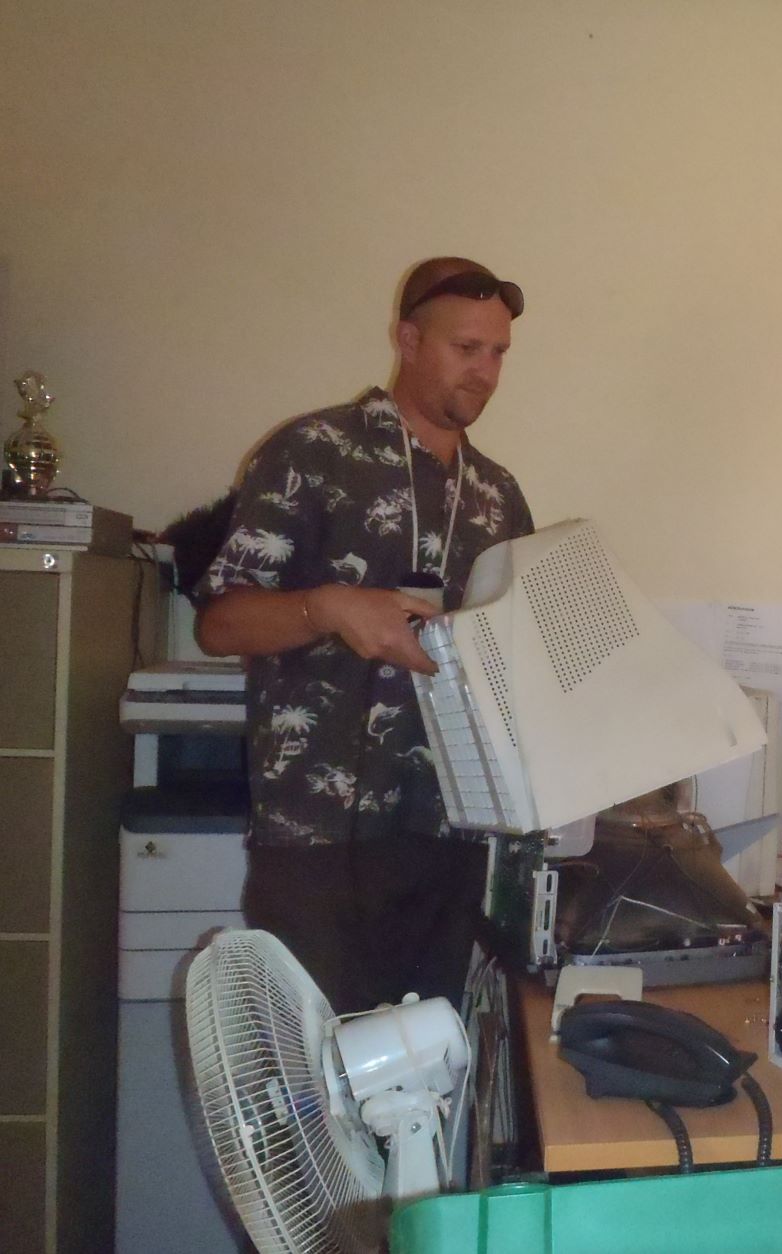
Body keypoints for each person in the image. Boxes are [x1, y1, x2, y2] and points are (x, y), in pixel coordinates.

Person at [195, 257, 534, 1013]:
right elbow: (220, 623)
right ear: (408, 339)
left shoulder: (498, 497)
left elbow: (515, 665)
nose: (485, 371)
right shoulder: (313, 452)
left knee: (419, 1094)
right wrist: (328, 608)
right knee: (319, 1095)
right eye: (465, 348)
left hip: (450, 839)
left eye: (499, 353)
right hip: (317, 842)